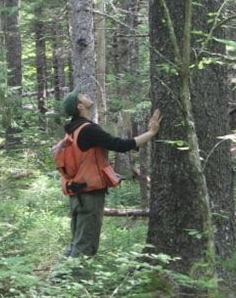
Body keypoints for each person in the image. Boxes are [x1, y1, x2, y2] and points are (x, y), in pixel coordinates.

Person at [61, 87, 162, 257]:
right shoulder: (87, 130)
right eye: (82, 96)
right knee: (85, 246)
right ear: (80, 106)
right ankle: (71, 279)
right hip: (89, 196)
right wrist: (151, 132)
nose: (86, 95)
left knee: (77, 242)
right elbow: (120, 145)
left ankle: (61, 278)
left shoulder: (73, 130)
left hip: (78, 195)